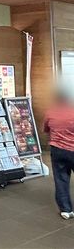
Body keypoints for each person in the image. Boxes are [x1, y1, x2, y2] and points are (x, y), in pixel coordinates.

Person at [43, 84, 74, 219]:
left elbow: (45, 129)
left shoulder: (50, 112)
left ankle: (66, 210)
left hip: (57, 151)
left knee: (61, 179)